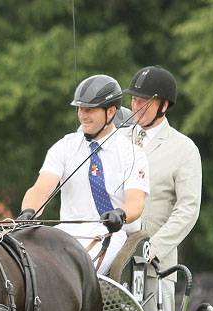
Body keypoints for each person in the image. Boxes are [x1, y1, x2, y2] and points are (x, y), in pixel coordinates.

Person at [19, 74, 148, 275]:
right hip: (66, 234)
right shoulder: (64, 146)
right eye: (80, 109)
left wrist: (120, 214)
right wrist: (29, 210)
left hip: (111, 234)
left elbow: (136, 203)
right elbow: (41, 189)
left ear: (111, 112)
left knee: (79, 275)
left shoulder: (133, 155)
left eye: (90, 110)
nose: (82, 115)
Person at [122, 65, 202, 311]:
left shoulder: (183, 148)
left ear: (164, 105)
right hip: (110, 260)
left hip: (155, 268)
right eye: (133, 99)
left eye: (144, 102)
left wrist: (153, 247)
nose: (136, 106)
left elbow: (188, 209)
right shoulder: (117, 139)